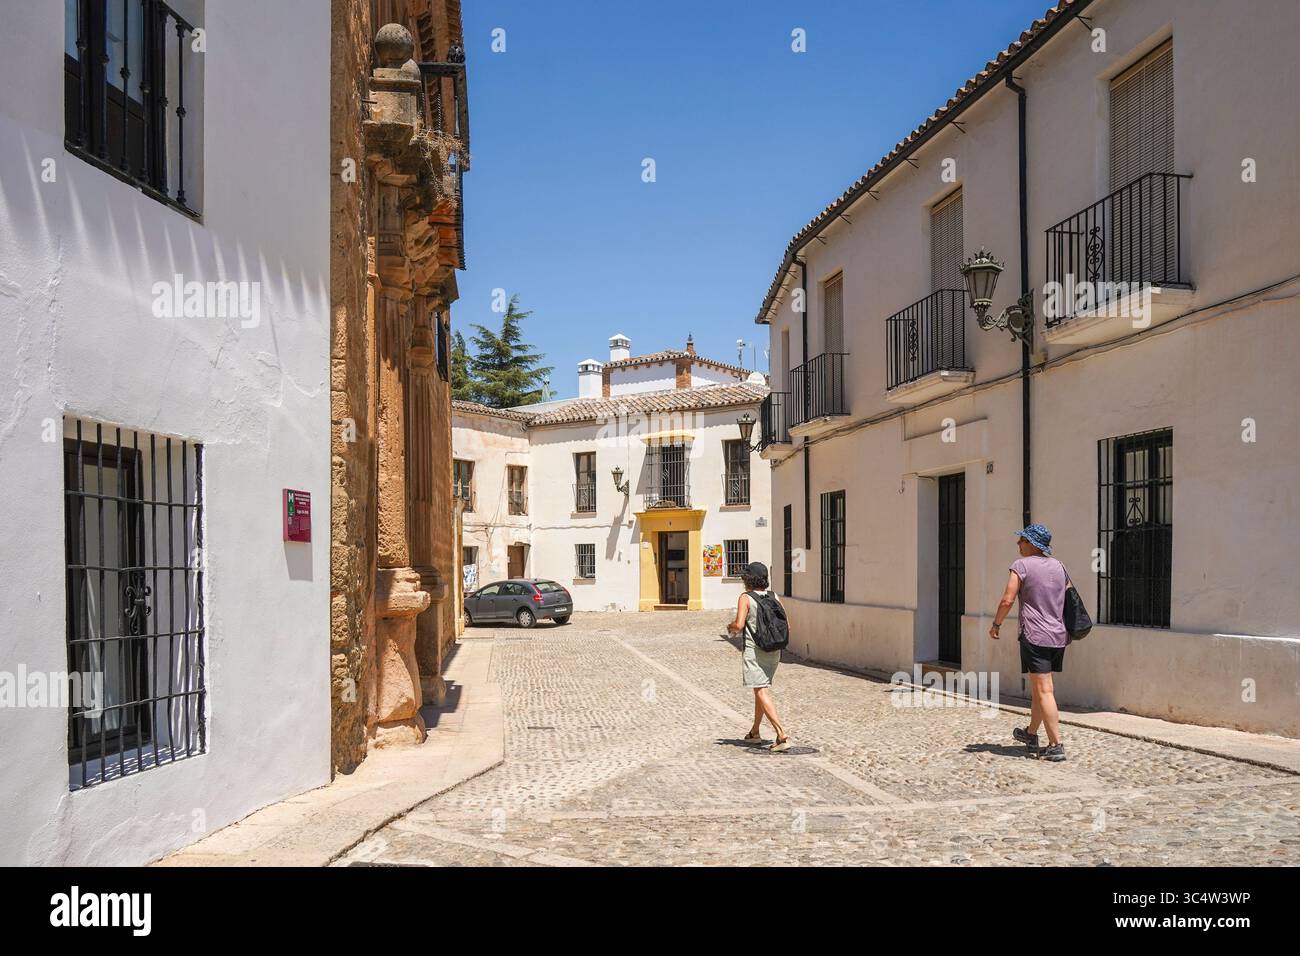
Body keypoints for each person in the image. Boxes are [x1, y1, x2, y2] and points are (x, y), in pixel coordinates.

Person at [989, 523, 1070, 762]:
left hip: (1035, 635)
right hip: (1057, 635)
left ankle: (1056, 744)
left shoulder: (1021, 566)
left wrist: (996, 624)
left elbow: (1007, 599)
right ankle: (1031, 734)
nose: (1018, 544)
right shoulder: (1059, 566)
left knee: (1044, 690)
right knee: (1039, 689)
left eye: (1021, 540)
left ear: (1032, 544)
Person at [726, 561, 791, 752]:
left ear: (749, 579)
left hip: (755, 650)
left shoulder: (745, 598)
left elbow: (738, 626)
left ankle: (781, 735)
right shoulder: (774, 596)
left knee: (760, 690)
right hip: (774, 650)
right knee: (760, 689)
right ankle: (755, 732)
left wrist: (730, 627)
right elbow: (787, 625)